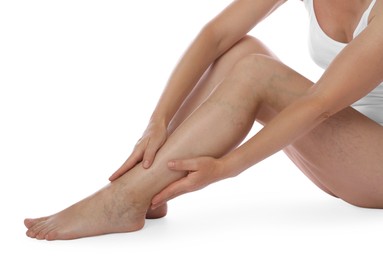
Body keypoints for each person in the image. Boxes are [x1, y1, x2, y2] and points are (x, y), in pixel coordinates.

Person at [24, 0, 383, 240]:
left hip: (375, 168)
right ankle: (147, 185)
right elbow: (215, 35)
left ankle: (122, 200)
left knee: (258, 72)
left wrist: (228, 166)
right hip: (350, 158)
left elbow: (320, 103)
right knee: (241, 50)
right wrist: (158, 121)